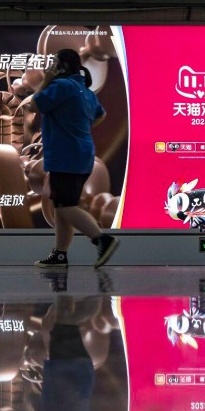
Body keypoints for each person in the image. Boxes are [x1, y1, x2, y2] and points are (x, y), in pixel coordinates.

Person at [32, 48, 119, 269]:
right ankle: (60, 254)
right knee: (63, 204)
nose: (48, 66)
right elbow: (101, 115)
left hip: (65, 156)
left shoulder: (60, 86)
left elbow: (36, 104)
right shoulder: (85, 90)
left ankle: (102, 239)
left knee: (63, 207)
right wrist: (79, 127)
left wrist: (48, 80)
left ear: (60, 66)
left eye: (53, 63)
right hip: (82, 155)